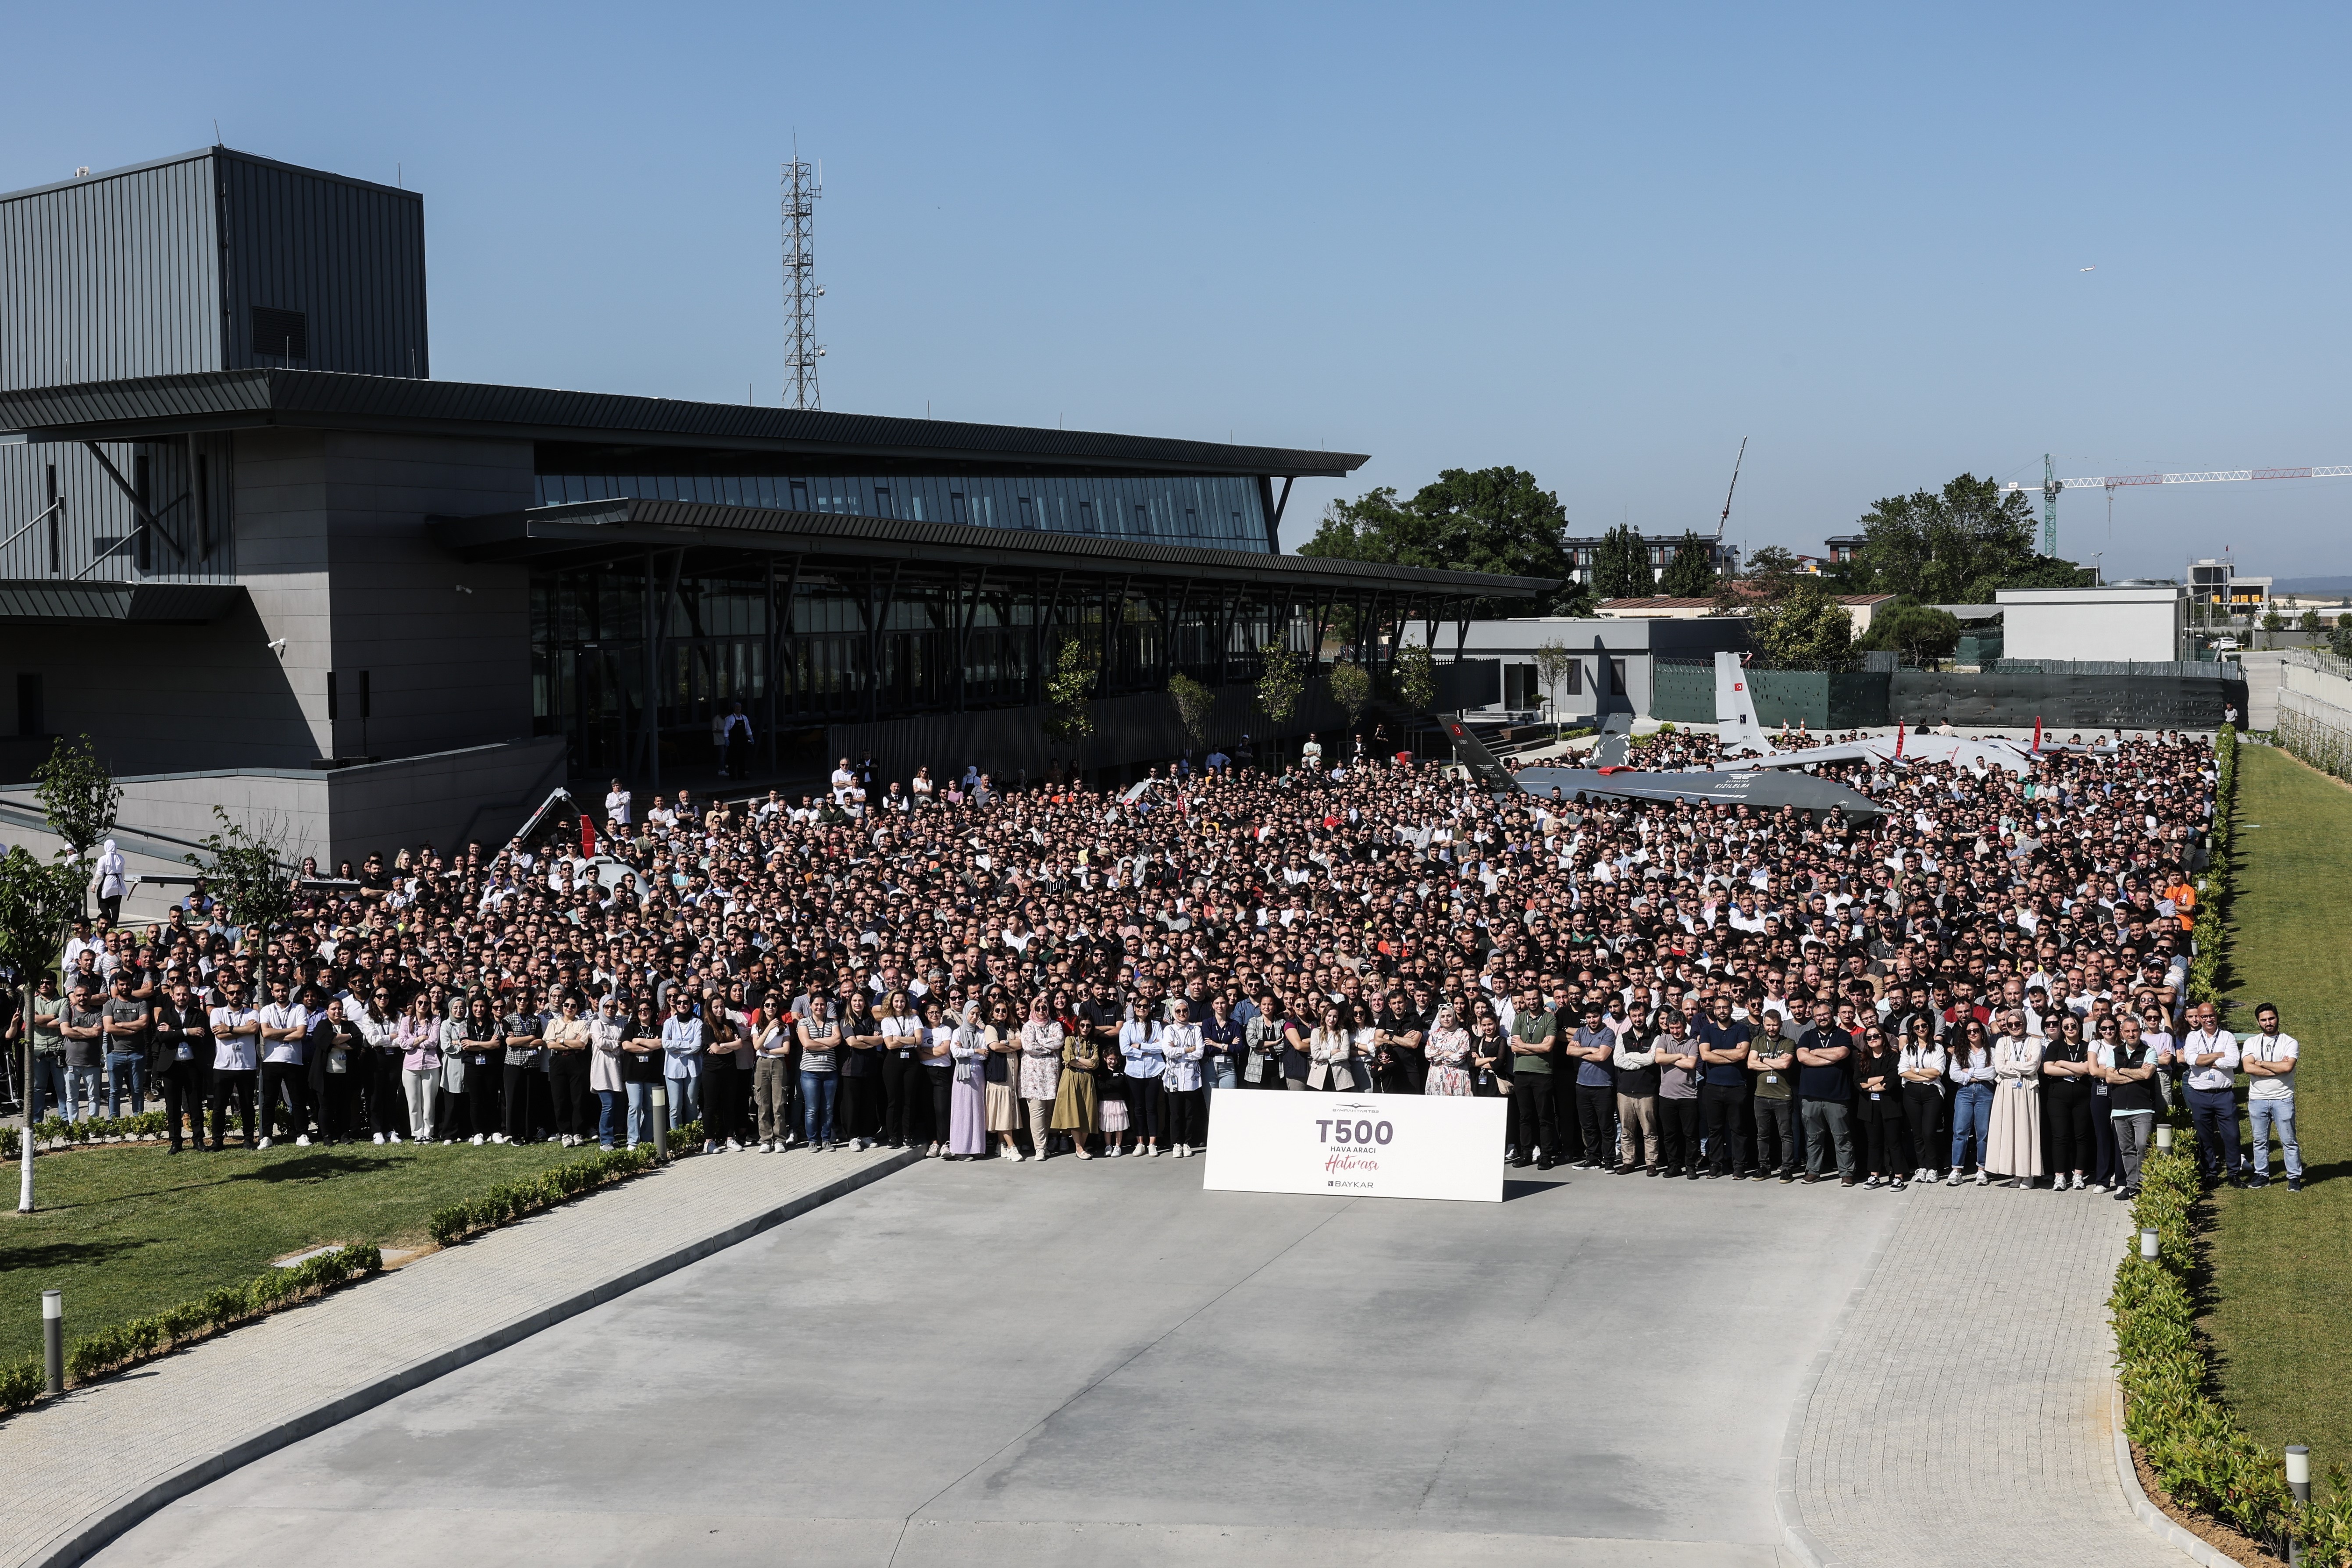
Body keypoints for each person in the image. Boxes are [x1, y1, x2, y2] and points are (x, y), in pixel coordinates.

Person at [2098, 1012, 2165, 1201]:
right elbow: (2109, 1078)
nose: (2131, 1034)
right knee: (2126, 1150)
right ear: (2122, 1033)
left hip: (2143, 1109)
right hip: (2119, 1109)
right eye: (2127, 1031)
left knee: (2142, 1146)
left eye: (2135, 1030)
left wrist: (2121, 1070)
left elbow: (2147, 1075)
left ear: (2140, 1031)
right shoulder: (2115, 1053)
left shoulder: (2149, 1051)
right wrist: (2133, 1073)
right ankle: (2132, 1186)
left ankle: (2145, 1183)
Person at [2179, 1001, 2242, 1187]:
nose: (2209, 1019)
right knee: (2204, 1136)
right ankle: (2211, 1174)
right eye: (2204, 1017)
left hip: (2224, 1094)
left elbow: (2234, 1062)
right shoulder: (2193, 1037)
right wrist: (2218, 1055)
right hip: (2200, 1094)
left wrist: (2204, 1060)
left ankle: (2234, 1173)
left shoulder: (2227, 1037)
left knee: (2231, 1135)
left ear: (2217, 1015)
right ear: (2198, 1018)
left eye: (2211, 1015)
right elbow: (2190, 1059)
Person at [2240, 1002, 2302, 1192]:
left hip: (2282, 1098)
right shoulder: (2252, 1042)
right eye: (2264, 1020)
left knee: (2289, 1140)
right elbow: (2247, 1068)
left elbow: (2288, 1067)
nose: (2268, 1023)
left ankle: (2294, 1177)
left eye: (2271, 1018)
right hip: (2257, 1098)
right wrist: (2275, 1067)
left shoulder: (2289, 1042)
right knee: (2259, 1140)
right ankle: (2262, 1175)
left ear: (2277, 1018)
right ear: (2258, 1022)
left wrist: (2260, 1063)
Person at [1795, 1000, 1856, 1186]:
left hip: (1837, 1096)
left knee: (1842, 1136)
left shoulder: (1843, 1035)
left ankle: (1846, 1172)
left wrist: (1817, 1052)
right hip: (1810, 1096)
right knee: (1813, 1137)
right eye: (1818, 1015)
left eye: (1826, 1014)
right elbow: (1802, 1057)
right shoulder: (1807, 1035)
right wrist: (1829, 1060)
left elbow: (1842, 1053)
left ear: (1833, 1015)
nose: (1822, 1018)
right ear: (1813, 1018)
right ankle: (1813, 1170)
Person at [1986, 1011, 2045, 1189]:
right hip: (2006, 1089)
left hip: (2027, 1088)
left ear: (2024, 1023)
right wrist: (2020, 1067)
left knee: (2027, 1129)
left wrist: (2011, 1065)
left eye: (2017, 1024)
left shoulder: (2034, 1042)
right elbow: (1999, 1067)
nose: (2014, 1028)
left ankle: (2027, 1174)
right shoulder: (2002, 1042)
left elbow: (2034, 1065)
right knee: (2009, 1130)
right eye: (2010, 1025)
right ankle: (2015, 1172)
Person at [1852, 1023, 1907, 1189]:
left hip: (1890, 1105)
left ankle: (1898, 1176)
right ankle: (1874, 1175)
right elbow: (1857, 1081)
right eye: (1869, 1037)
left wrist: (1870, 1086)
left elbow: (1892, 1080)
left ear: (1883, 1038)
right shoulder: (1862, 1059)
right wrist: (1879, 1081)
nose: (1873, 1039)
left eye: (1876, 1036)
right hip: (1869, 1107)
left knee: (1894, 1142)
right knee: (1874, 1142)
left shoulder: (1892, 1057)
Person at [1894, 1013, 1947, 1183]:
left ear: (1929, 1027)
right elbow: (1902, 1071)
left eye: (1924, 1026)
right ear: (1913, 1030)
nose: (1921, 1029)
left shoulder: (1938, 1048)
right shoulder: (1909, 1048)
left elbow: (1938, 1071)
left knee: (1929, 1131)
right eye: (1917, 1027)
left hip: (1932, 1093)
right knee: (1917, 1133)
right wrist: (1925, 1076)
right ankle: (1922, 1167)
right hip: (1911, 1093)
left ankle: (1933, 1168)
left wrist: (1915, 1071)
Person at [1748, 1010, 1799, 1183]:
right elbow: (1750, 1063)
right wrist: (1772, 1063)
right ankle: (1764, 1167)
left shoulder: (1789, 1043)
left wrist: (1762, 1061)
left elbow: (1785, 1064)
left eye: (1775, 1025)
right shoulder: (1758, 1041)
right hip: (1761, 1096)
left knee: (1786, 1134)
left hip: (1782, 1096)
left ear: (1781, 1025)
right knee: (1762, 1134)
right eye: (1769, 1025)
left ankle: (1787, 1168)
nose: (1772, 1028)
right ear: (1764, 1024)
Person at [1945, 1019, 1996, 1185]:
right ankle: (1957, 1170)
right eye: (1969, 1032)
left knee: (1984, 1132)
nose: (1973, 1033)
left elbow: (1992, 1074)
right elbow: (1954, 1075)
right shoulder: (1961, 1053)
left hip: (1985, 1092)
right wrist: (1975, 1075)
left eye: (1976, 1030)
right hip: (1964, 1093)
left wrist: (1970, 1072)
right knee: (1960, 1131)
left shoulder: (1992, 1052)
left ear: (1982, 1032)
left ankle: (1982, 1170)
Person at [1611, 1009, 1661, 1174]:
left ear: (1645, 1016)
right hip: (1625, 1091)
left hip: (1647, 1091)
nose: (1638, 1019)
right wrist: (1640, 1061)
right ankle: (1628, 1162)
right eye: (1634, 1016)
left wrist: (1630, 1057)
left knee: (1650, 1130)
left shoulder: (1656, 1037)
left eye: (1641, 1015)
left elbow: (1653, 1059)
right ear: (1630, 1017)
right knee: (1626, 1130)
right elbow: (1618, 1060)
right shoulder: (1623, 1037)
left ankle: (1651, 1163)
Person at [1158, 998, 1205, 1157]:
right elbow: (1168, 1052)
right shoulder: (1169, 1030)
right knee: (1176, 1113)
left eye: (1185, 1011)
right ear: (1174, 1012)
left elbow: (1200, 1053)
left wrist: (1179, 1050)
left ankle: (1187, 1142)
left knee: (1190, 1114)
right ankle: (1177, 1143)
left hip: (1192, 1077)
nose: (1182, 1014)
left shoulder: (1195, 1030)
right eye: (1178, 1011)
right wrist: (1188, 1050)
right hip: (1174, 1077)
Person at [796, 994, 842, 1151]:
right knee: (812, 1108)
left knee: (828, 1108)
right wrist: (827, 1043)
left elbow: (837, 1041)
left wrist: (815, 1043)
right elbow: (806, 1042)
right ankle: (813, 1140)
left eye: (823, 1005)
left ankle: (826, 1139)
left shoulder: (833, 1022)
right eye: (816, 1004)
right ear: (810, 1006)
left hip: (830, 1072)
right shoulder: (804, 1022)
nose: (820, 1007)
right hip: (810, 1072)